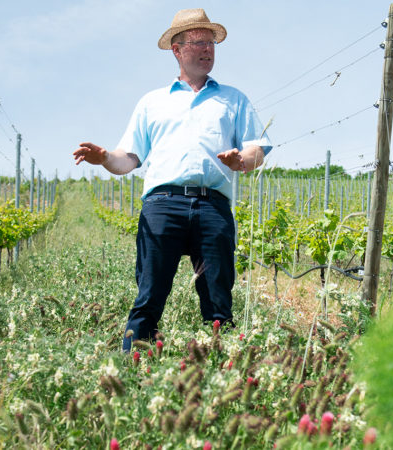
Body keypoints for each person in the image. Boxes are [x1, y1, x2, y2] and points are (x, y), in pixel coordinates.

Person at [73, 8, 272, 352]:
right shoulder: (152, 102)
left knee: (217, 297)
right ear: (176, 50)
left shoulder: (233, 99)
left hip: (213, 206)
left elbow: (257, 148)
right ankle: (131, 365)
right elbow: (129, 158)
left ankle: (222, 366)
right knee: (149, 293)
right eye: (198, 42)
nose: (207, 49)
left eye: (211, 43)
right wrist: (104, 157)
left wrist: (242, 160)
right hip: (162, 205)